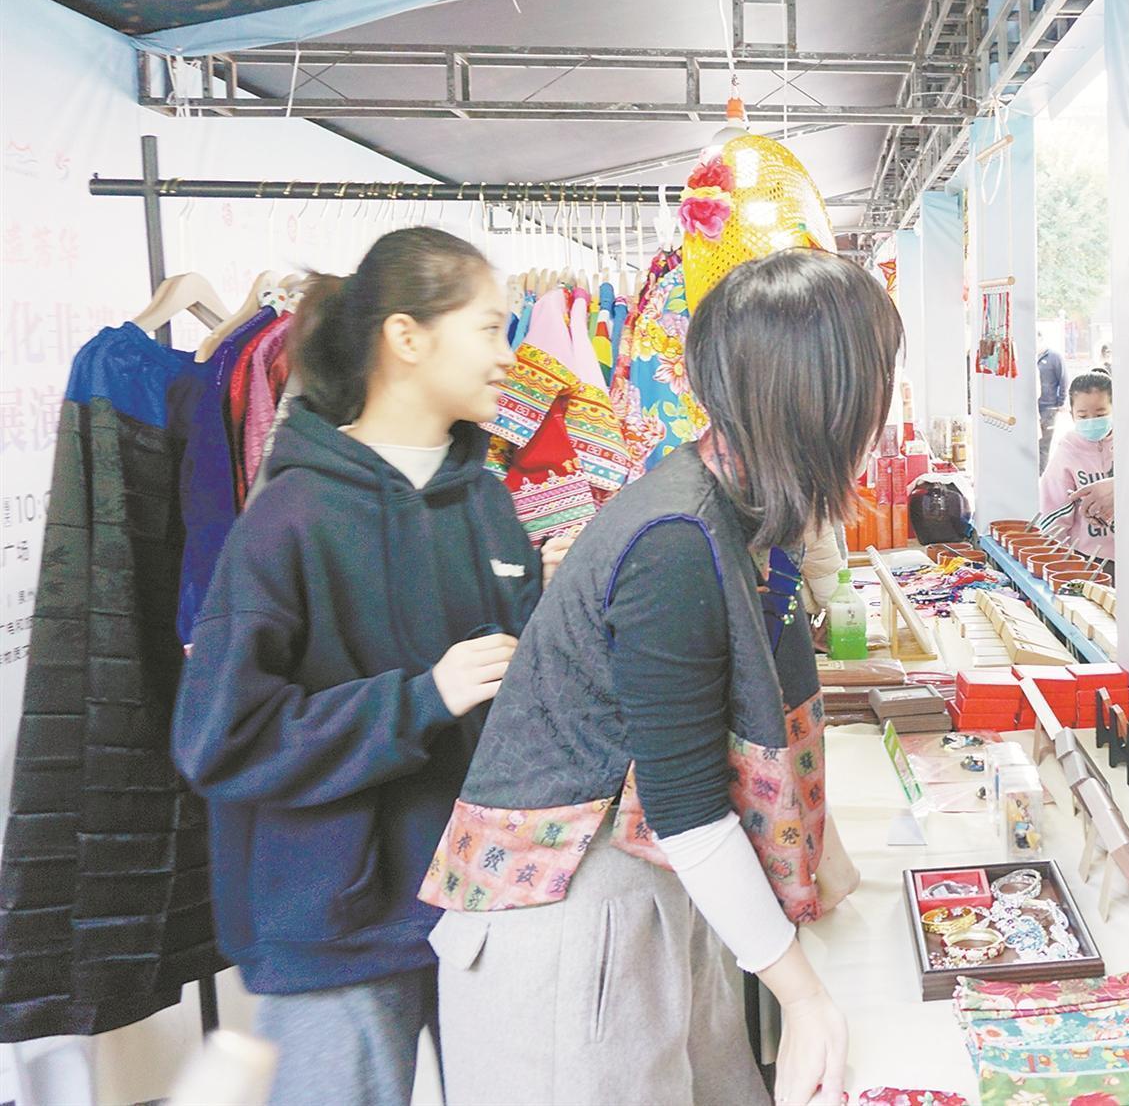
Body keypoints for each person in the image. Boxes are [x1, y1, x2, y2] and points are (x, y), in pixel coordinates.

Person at [423, 249, 894, 1105]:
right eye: (874, 383)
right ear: (823, 396)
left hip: (645, 897)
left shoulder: (736, 508)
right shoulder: (674, 539)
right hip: (573, 922)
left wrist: (822, 861)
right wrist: (804, 998)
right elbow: (686, 808)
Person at [172, 229, 546, 1106]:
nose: (508, 356)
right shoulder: (291, 517)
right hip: (335, 932)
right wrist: (421, 699)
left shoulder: (488, 502)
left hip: (484, 910)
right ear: (406, 336)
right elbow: (221, 737)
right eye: (489, 328)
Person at [1039, 369, 1115, 573]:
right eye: (1083, 416)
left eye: (1100, 414)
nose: (1091, 420)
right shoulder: (1067, 453)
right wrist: (1056, 559)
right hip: (1087, 558)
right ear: (1072, 414)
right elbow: (1054, 511)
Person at [1037, 332, 1068, 470]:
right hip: (1033, 407)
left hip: (1049, 407)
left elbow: (1063, 380)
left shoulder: (1054, 357)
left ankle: (1042, 474)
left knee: (1044, 445)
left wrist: (1061, 402)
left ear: (1041, 339)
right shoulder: (1031, 357)